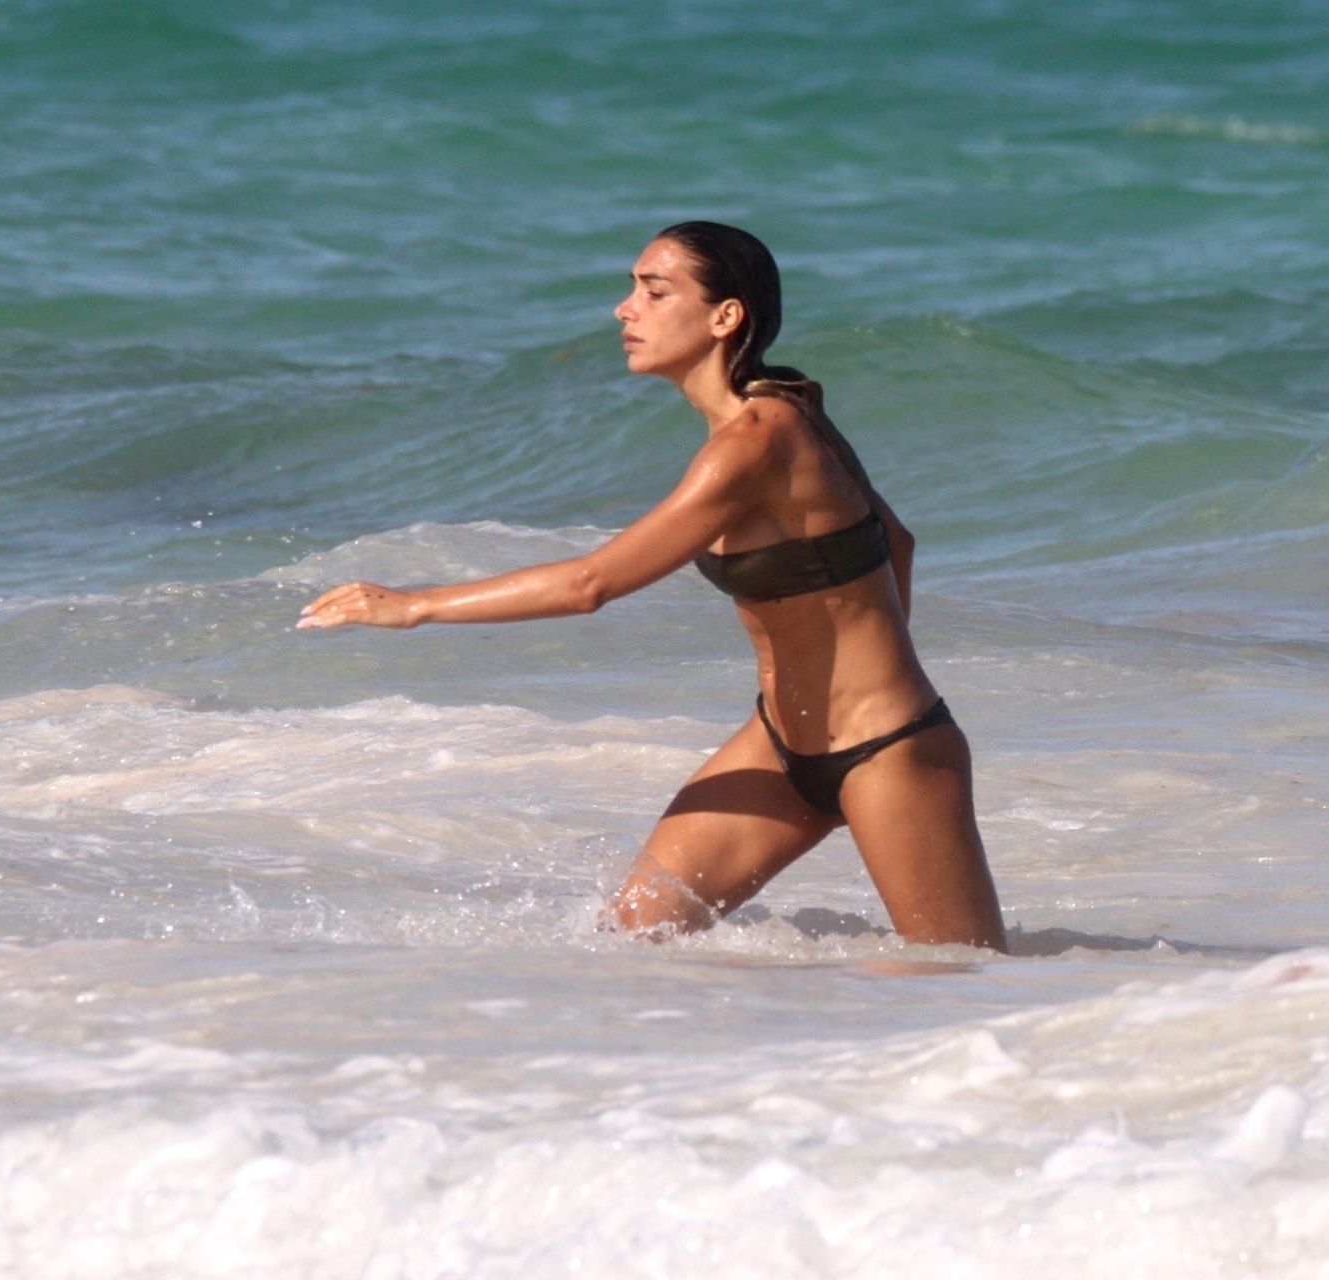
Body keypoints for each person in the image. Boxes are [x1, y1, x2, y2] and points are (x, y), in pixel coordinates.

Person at [299, 222, 1007, 951]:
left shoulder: (758, 440)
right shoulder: (785, 412)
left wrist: (415, 606)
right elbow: (897, 543)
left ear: (725, 316)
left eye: (654, 290)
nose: (624, 308)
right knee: (635, 936)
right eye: (634, 287)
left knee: (962, 977)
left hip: (889, 752)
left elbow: (590, 583)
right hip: (779, 748)